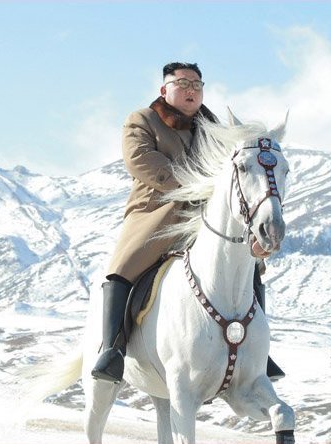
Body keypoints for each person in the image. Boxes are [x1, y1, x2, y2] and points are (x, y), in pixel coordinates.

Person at [91, 62, 285, 384]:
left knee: (249, 266)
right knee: (126, 265)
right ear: (164, 90)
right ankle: (113, 350)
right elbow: (140, 159)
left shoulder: (216, 130)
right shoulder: (142, 120)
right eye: (182, 83)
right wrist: (190, 184)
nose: (191, 89)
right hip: (157, 211)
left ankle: (259, 353)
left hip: (205, 216)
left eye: (197, 84)